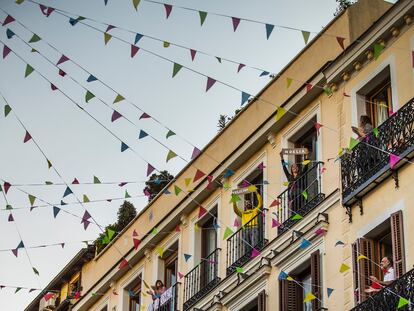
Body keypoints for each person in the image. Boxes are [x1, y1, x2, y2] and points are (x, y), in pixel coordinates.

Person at [232, 187, 262, 256]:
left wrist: (257, 193)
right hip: (246, 229)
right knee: (247, 245)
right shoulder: (242, 213)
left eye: (249, 203)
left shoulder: (254, 210)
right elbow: (235, 210)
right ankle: (248, 256)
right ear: (245, 206)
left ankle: (255, 253)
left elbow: (260, 203)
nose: (248, 204)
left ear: (251, 205)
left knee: (255, 243)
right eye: (246, 203)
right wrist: (234, 200)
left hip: (254, 227)